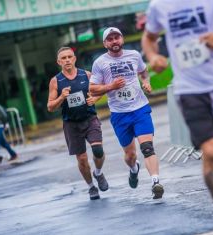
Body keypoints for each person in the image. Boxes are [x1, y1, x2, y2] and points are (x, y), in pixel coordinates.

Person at [142, 0, 213, 235]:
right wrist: (153, 56)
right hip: (188, 90)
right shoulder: (159, 5)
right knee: (210, 151)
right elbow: (149, 38)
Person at [89, 27, 164, 199]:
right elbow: (92, 88)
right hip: (119, 114)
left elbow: (144, 73)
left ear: (122, 39)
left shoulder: (134, 55)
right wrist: (110, 86)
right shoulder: (100, 63)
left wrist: (146, 82)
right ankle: (133, 169)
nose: (114, 41)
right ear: (105, 43)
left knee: (147, 148)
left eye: (117, 37)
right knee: (130, 155)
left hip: (140, 109)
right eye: (110, 39)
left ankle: (156, 182)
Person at [47, 47, 108, 200]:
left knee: (98, 150)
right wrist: (61, 97)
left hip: (90, 118)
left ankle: (98, 173)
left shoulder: (86, 75)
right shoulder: (55, 81)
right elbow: (50, 106)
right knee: (81, 159)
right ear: (59, 62)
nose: (67, 60)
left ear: (74, 59)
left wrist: (95, 99)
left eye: (69, 57)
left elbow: (101, 89)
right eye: (64, 58)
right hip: (71, 124)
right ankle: (91, 187)